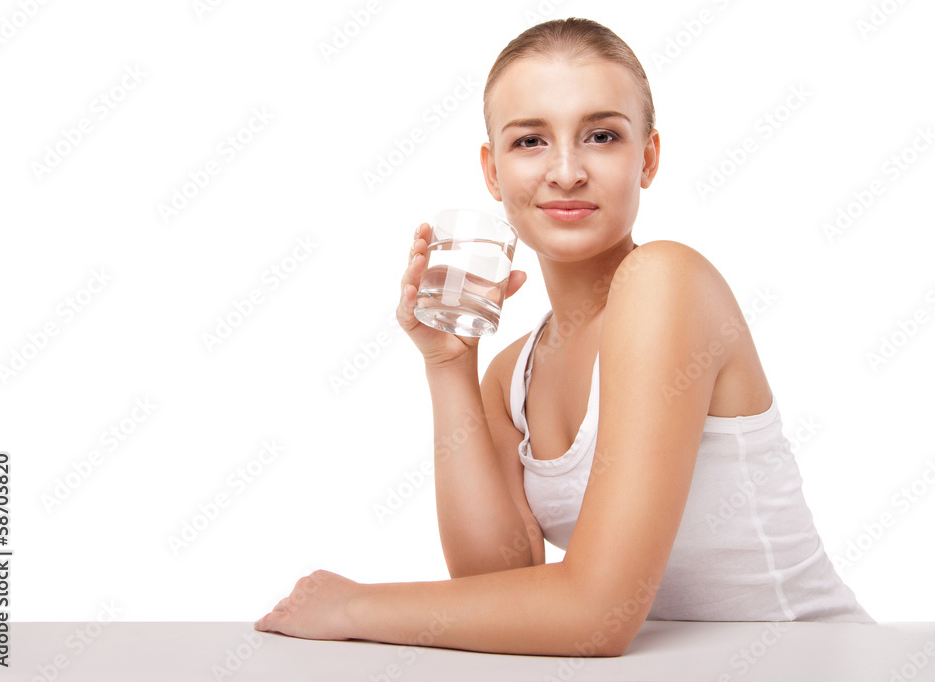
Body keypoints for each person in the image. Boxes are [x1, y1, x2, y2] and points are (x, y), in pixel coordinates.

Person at [254, 16, 874, 657]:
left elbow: (596, 618)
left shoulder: (667, 282)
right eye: (530, 142)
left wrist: (353, 604)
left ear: (648, 158)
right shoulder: (512, 378)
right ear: (492, 172)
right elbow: (498, 595)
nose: (567, 170)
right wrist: (448, 366)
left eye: (601, 136)